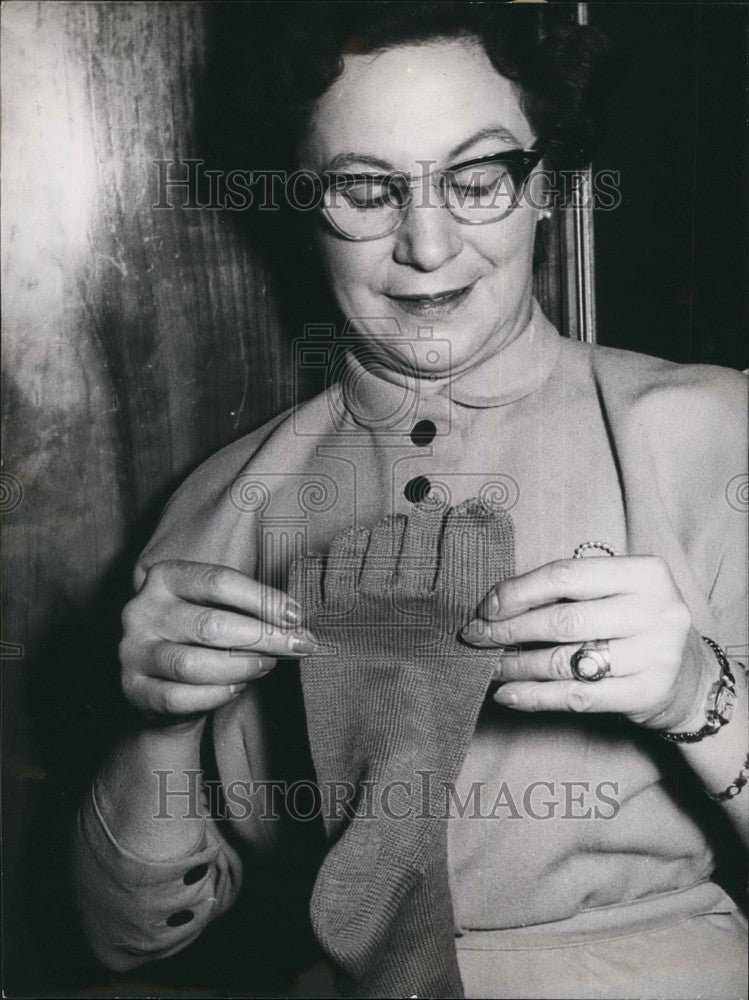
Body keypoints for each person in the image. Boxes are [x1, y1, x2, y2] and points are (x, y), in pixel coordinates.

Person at [73, 5, 748, 998]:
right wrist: (155, 728)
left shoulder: (713, 432)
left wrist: (702, 695)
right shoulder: (220, 501)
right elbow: (125, 944)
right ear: (305, 204)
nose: (426, 245)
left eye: (475, 180)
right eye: (363, 188)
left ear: (546, 188)